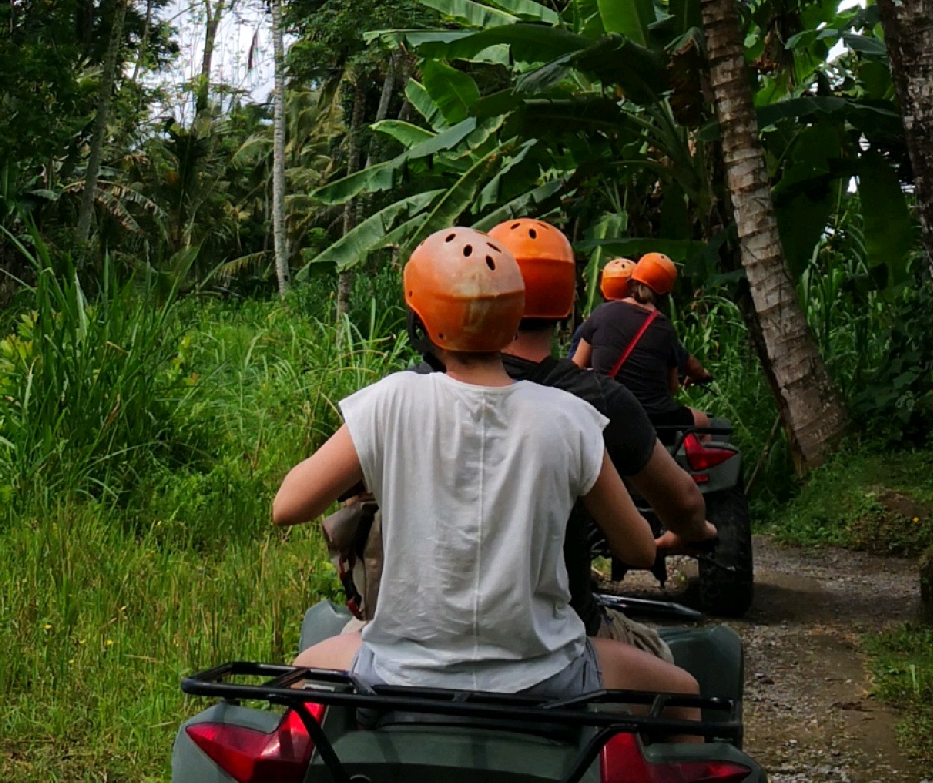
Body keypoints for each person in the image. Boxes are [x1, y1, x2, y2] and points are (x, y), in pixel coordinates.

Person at [271, 225, 700, 704]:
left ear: (421, 321)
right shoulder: (572, 417)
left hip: (396, 671)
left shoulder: (390, 401)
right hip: (547, 674)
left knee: (303, 671)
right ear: (514, 313)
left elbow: (287, 506)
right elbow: (640, 551)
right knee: (685, 691)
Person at [484, 215, 712, 631]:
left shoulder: (412, 389)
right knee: (684, 685)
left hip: (414, 647)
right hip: (559, 635)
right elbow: (642, 549)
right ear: (568, 303)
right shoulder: (581, 409)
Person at [572, 250, 712, 422]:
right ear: (665, 293)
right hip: (654, 418)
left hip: (606, 415)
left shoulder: (600, 314)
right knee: (704, 422)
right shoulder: (664, 327)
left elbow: (575, 367)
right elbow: (672, 388)